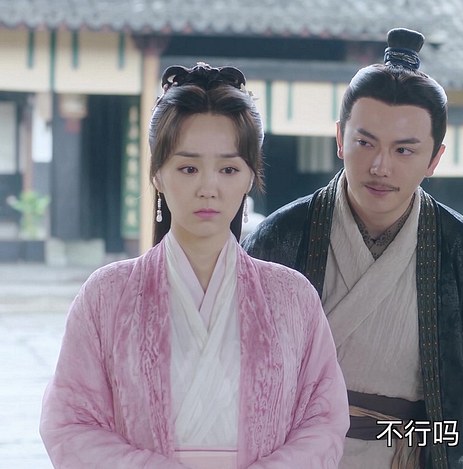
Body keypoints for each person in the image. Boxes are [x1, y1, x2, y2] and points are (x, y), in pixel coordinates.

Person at [40, 63, 349, 468]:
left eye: (228, 169)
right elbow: (70, 423)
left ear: (250, 177)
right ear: (157, 175)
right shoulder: (106, 295)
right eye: (188, 168)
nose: (209, 187)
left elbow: (323, 421)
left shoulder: (292, 297)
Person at [243, 28, 463, 469]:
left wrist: (424, 449)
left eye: (404, 150)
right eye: (364, 142)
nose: (380, 166)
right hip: (296, 455)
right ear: (339, 138)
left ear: (434, 159)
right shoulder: (281, 237)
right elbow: (245, 377)